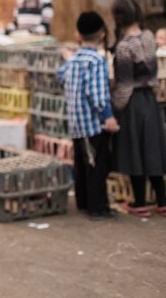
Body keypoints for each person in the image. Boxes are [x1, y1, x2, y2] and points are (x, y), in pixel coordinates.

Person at [111, 0, 166, 218]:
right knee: (152, 149)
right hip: (150, 99)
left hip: (133, 103)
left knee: (135, 151)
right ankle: (163, 202)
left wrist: (115, 110)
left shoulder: (124, 47)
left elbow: (124, 85)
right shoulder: (149, 37)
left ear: (118, 18)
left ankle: (140, 203)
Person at [57, 11, 120, 218]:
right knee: (97, 166)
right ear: (102, 35)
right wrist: (108, 117)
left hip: (76, 124)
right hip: (93, 125)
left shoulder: (73, 60)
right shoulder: (96, 61)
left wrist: (66, 57)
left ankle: (83, 202)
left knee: (82, 165)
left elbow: (60, 76)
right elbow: (98, 95)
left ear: (78, 35)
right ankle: (97, 207)